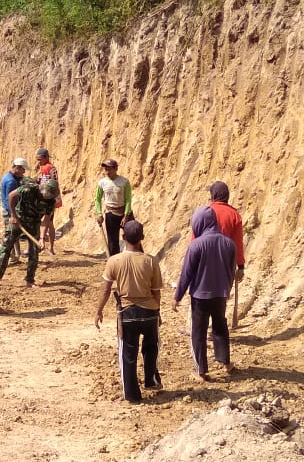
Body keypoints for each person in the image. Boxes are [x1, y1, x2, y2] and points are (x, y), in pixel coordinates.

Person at [94, 220, 163, 404]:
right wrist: (157, 312)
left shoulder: (114, 261)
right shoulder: (151, 261)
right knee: (151, 348)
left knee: (128, 355)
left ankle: (132, 394)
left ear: (123, 237)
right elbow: (156, 292)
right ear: (142, 238)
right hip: (149, 313)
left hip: (127, 314)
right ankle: (151, 380)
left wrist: (99, 311)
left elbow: (106, 290)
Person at [173, 207, 237, 382]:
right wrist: (226, 288)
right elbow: (231, 270)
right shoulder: (229, 243)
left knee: (198, 332)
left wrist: (178, 296)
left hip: (200, 296)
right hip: (220, 294)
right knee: (220, 327)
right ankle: (226, 363)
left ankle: (200, 370)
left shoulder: (196, 245)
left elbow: (187, 273)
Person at [0, 179, 59, 288]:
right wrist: (13, 215)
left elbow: (46, 221)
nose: (46, 197)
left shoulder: (51, 202)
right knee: (6, 248)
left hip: (34, 224)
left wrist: (42, 238)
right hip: (18, 220)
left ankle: (29, 280)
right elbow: (11, 195)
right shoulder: (29, 189)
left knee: (34, 251)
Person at [206, 180, 246, 279]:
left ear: (213, 196)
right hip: (226, 262)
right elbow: (238, 243)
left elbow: (195, 240)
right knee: (222, 293)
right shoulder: (234, 215)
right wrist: (240, 266)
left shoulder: (205, 212)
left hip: (205, 260)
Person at [94, 158, 133, 256]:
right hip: (111, 214)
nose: (107, 171)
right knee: (112, 242)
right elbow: (97, 200)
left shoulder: (124, 182)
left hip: (125, 213)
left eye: (109, 169)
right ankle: (114, 263)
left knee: (132, 237)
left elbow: (128, 199)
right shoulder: (102, 183)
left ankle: (136, 260)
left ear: (115, 169)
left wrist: (126, 216)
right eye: (105, 169)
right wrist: (99, 214)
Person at [0, 158, 27, 264]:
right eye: (23, 169)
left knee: (14, 234)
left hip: (8, 210)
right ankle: (0, 254)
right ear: (17, 168)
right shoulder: (11, 181)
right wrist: (13, 215)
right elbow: (10, 199)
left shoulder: (9, 177)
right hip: (9, 211)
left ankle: (15, 256)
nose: (24, 172)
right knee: (10, 235)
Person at [35, 148, 61, 254]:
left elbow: (54, 183)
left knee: (48, 222)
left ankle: (49, 246)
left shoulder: (51, 168)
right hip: (44, 197)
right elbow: (44, 180)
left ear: (46, 157)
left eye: (40, 159)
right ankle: (47, 246)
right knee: (48, 223)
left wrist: (55, 200)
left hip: (50, 199)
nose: (39, 161)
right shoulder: (44, 167)